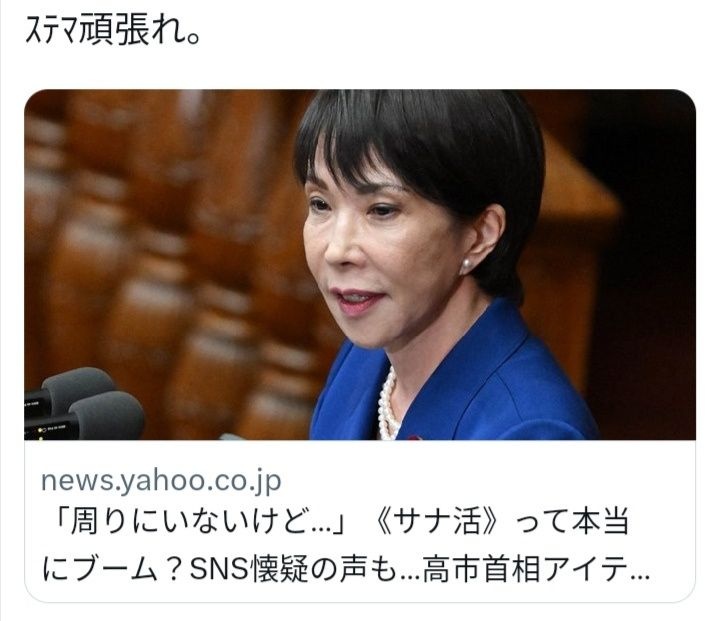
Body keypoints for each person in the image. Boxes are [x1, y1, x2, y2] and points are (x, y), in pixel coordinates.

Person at [294, 90, 599, 440]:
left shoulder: (532, 434)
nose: (337, 250)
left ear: (480, 235)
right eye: (320, 204)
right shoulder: (364, 357)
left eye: (382, 210)